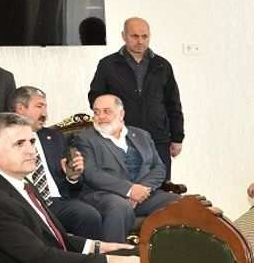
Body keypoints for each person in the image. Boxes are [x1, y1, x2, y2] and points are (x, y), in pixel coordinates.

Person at [0, 112, 138, 263]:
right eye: (19, 144)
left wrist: (99, 247)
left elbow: (52, 237)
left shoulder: (13, 181)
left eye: (32, 141)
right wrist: (112, 261)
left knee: (144, 253)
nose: (31, 150)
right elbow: (42, 259)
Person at [87, 17, 184, 179]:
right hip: (121, 140)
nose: (140, 41)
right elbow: (96, 99)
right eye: (135, 36)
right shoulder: (108, 65)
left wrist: (177, 138)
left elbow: (173, 103)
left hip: (157, 140)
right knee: (127, 187)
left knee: (159, 186)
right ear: (123, 36)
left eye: (144, 36)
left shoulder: (162, 65)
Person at [75, 94, 178, 242]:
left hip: (143, 194)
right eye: (96, 112)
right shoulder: (85, 138)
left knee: (179, 204)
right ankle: (114, 254)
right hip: (104, 195)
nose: (100, 116)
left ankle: (166, 252)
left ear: (121, 113)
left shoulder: (142, 135)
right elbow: (91, 173)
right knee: (119, 206)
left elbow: (159, 167)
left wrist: (141, 189)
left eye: (107, 111)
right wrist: (129, 190)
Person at [9, 85, 104, 239]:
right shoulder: (6, 139)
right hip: (27, 201)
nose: (45, 113)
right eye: (39, 106)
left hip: (56, 201)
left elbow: (75, 186)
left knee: (89, 215)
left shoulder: (54, 137)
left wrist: (73, 177)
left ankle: (89, 255)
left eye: (45, 107)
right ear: (20, 108)